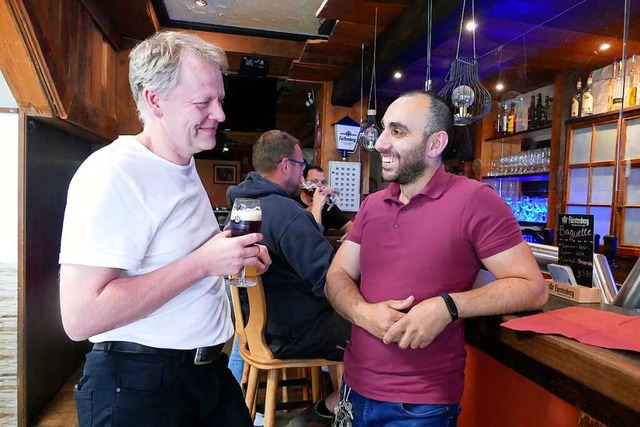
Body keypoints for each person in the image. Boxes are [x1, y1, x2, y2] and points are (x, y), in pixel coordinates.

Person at [58, 31, 271, 427]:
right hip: (140, 386)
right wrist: (203, 263)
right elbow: (80, 316)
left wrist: (232, 258)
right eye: (203, 102)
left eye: (220, 99)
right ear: (155, 99)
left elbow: (177, 256)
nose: (220, 114)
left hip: (205, 375)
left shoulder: (182, 164)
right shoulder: (115, 172)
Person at [325, 90, 548, 426]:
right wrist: (361, 312)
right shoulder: (373, 204)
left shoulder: (475, 200)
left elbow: (532, 287)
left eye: (397, 132)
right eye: (384, 130)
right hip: (354, 386)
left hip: (421, 404)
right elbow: (336, 275)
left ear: (435, 143)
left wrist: (447, 306)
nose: (381, 143)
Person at [227, 130, 351, 427]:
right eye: (300, 164)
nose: (302, 171)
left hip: (260, 328)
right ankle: (325, 411)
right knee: (377, 336)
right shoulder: (289, 215)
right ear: (285, 165)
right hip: (289, 333)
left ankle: (331, 407)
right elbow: (329, 281)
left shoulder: (244, 206)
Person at [296, 165, 353, 238]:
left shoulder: (327, 205)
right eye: (314, 181)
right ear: (303, 184)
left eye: (323, 182)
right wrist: (316, 206)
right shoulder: (292, 202)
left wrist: (350, 234)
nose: (319, 185)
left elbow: (350, 227)